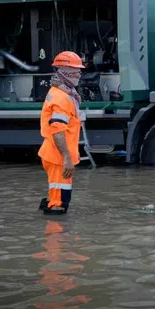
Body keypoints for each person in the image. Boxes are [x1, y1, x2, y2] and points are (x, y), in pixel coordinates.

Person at [37, 51, 85, 215]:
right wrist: (66, 158)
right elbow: (58, 130)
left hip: (56, 155)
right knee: (57, 205)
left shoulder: (61, 92)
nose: (79, 73)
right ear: (64, 70)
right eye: (76, 69)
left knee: (59, 198)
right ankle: (56, 238)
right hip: (58, 157)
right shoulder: (62, 97)